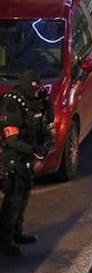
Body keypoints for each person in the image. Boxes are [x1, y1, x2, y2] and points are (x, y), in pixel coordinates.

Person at [0, 70, 55, 256]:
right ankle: (5, 241)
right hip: (14, 158)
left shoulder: (35, 101)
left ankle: (17, 232)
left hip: (27, 160)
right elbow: (12, 139)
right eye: (34, 88)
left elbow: (50, 119)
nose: (36, 92)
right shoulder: (12, 103)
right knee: (13, 200)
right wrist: (34, 150)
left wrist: (47, 103)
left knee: (24, 197)